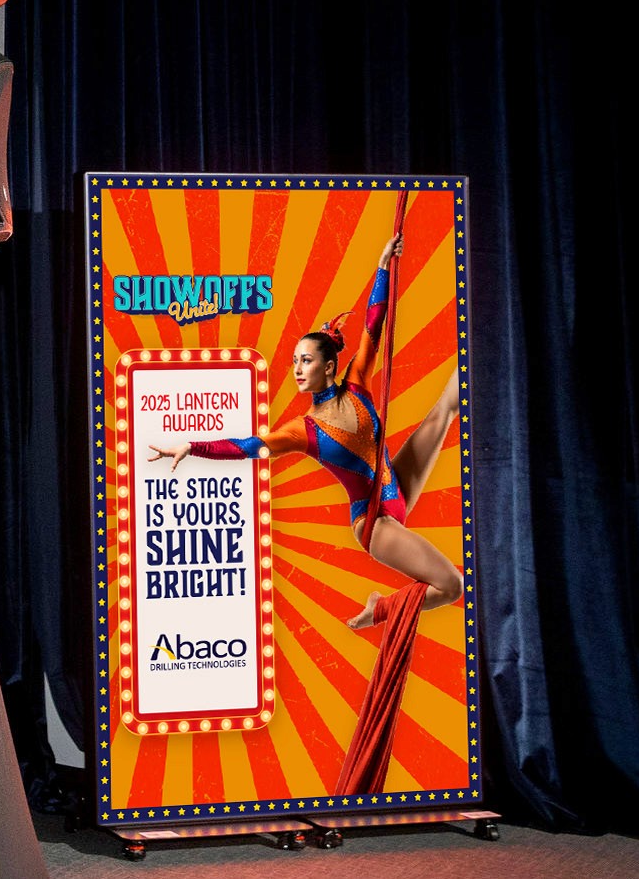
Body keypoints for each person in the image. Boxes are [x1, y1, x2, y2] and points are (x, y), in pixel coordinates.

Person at [147, 234, 462, 628]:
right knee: (450, 585)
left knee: (446, 408)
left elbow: (374, 324)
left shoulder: (357, 384)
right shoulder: (304, 430)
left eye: (306, 360)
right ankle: (380, 609)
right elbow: (247, 446)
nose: (297, 369)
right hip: (375, 523)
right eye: (295, 361)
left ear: (328, 366)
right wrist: (193, 446)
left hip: (395, 486)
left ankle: (485, 333)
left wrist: (383, 266)